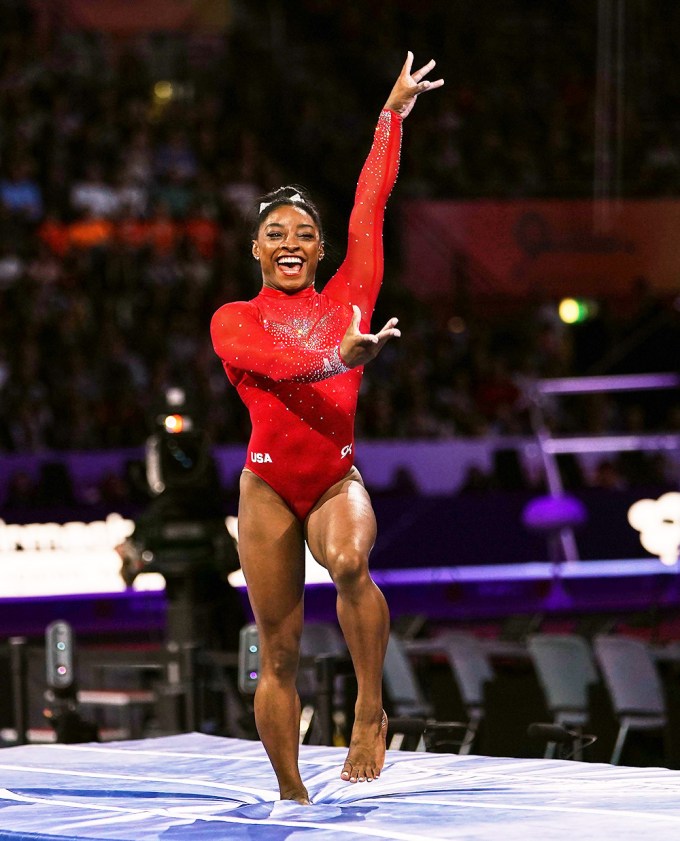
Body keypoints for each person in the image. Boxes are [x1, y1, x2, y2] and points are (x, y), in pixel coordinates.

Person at [210, 52, 443, 804]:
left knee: (350, 563)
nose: (289, 240)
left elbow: (369, 204)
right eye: (274, 231)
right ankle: (291, 792)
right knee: (279, 652)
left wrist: (391, 116)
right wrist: (335, 357)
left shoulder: (352, 293)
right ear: (256, 248)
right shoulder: (233, 320)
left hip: (336, 476)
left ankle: (370, 707)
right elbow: (275, 364)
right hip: (269, 485)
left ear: (319, 248)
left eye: (303, 231)